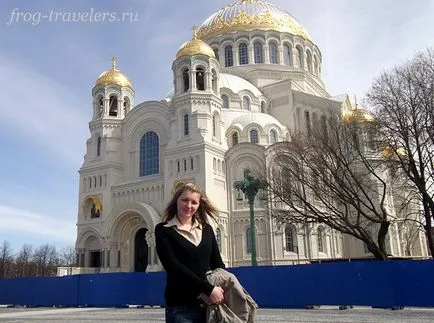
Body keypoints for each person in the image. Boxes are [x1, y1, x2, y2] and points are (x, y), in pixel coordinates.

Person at [155, 183, 225, 323]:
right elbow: (174, 267)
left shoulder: (207, 230)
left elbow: (217, 263)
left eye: (194, 202)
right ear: (176, 201)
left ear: (199, 205)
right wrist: (207, 290)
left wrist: (217, 290)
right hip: (181, 307)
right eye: (184, 200)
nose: (189, 205)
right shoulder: (164, 230)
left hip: (210, 306)